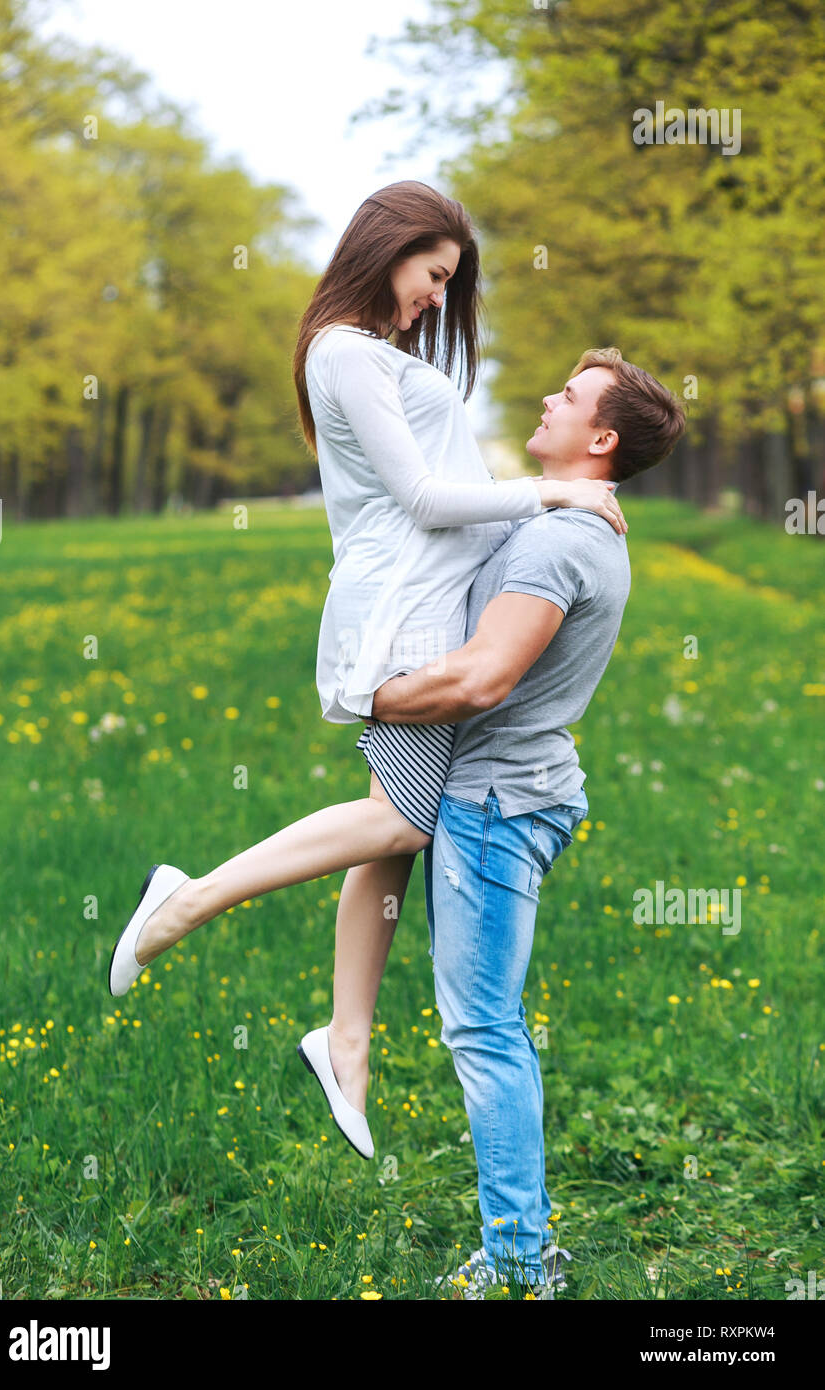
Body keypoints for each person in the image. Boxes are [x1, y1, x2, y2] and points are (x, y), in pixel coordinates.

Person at [106, 181, 627, 1162]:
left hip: (430, 614)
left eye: (445, 285)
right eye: (432, 276)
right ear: (389, 248)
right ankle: (187, 897)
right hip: (400, 624)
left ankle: (344, 1042)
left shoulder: (374, 357)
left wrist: (543, 510)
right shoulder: (341, 353)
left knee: (395, 825)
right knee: (404, 818)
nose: (435, 299)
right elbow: (427, 497)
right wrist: (554, 492)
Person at [368, 345, 687, 1298]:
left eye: (571, 394)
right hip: (503, 793)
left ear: (601, 437)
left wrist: (369, 698)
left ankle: (518, 1260)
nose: (548, 396)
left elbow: (482, 677)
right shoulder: (559, 517)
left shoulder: (560, 544)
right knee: (484, 1025)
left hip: (498, 804)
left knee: (484, 1031)